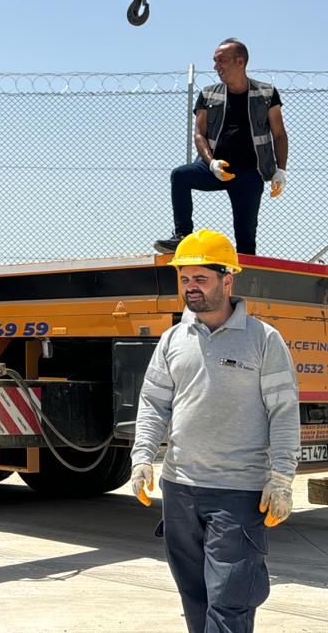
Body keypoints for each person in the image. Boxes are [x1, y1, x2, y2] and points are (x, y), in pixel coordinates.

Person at [129, 229, 299, 633]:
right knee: (195, 598)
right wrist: (142, 459)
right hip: (179, 489)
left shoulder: (263, 339)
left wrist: (281, 478)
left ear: (227, 281)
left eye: (201, 279)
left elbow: (284, 411)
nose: (191, 287)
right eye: (185, 278)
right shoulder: (172, 339)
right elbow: (153, 403)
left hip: (238, 493)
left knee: (228, 603)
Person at [155, 39, 288, 256]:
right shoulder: (208, 94)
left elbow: (279, 134)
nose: (216, 66)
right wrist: (212, 163)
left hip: (249, 173)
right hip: (216, 168)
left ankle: (245, 271)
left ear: (240, 62)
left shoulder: (267, 94)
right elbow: (199, 134)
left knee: (246, 241)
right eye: (215, 61)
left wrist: (280, 170)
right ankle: (182, 236)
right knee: (180, 175)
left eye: (222, 61)